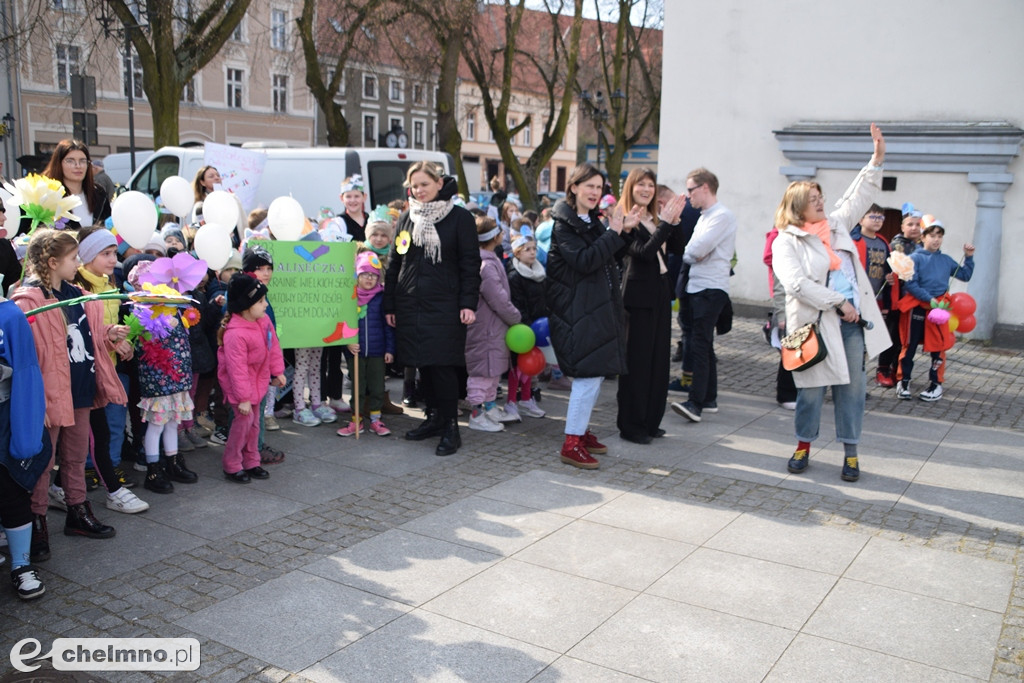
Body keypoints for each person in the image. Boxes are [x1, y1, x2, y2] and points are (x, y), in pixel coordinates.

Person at [772, 123, 891, 482]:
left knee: (852, 390)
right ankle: (803, 445)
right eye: (813, 199)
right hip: (814, 325)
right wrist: (838, 301)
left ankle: (851, 453)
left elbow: (859, 194)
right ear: (797, 208)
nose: (821, 202)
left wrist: (877, 159)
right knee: (810, 391)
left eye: (821, 196)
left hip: (852, 324)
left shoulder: (837, 224)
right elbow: (796, 284)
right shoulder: (786, 241)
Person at [13, 229, 128, 560]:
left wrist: (109, 333)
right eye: (73, 258)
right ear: (52, 262)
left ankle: (77, 510)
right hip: (50, 396)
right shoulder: (29, 301)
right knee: (42, 464)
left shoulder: (77, 293)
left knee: (76, 456)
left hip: (80, 387)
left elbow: (85, 331)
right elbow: (29, 353)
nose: (78, 263)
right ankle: (35, 523)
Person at [384, 161, 481, 457]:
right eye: (414, 186)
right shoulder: (407, 218)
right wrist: (391, 302)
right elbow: (396, 261)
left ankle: (450, 424)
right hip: (411, 303)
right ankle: (434, 418)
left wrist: (468, 303)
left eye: (424, 184)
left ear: (439, 183)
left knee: (443, 365)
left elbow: (470, 264)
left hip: (446, 305)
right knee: (422, 364)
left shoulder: (459, 218)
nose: (419, 190)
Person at [546, 163, 637, 469]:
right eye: (589, 186)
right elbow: (585, 261)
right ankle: (571, 442)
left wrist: (625, 231)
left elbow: (609, 255)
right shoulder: (564, 225)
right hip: (576, 311)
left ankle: (581, 432)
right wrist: (614, 232)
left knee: (595, 374)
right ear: (573, 187)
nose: (595, 193)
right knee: (586, 376)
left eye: (599, 188)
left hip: (595, 308)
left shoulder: (589, 220)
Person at [71, 227, 148, 513]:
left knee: (109, 427)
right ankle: (101, 480)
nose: (112, 259)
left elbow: (114, 328)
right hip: (87, 372)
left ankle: (105, 474)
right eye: (105, 253)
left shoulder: (110, 285)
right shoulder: (78, 290)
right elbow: (83, 334)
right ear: (87, 255)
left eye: (113, 252)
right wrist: (109, 338)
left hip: (110, 368)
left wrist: (122, 342)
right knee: (92, 433)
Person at [616, 168, 688, 444]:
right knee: (638, 362)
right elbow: (643, 253)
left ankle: (650, 421)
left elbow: (678, 246)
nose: (646, 189)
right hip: (637, 297)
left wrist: (675, 221)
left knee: (658, 362)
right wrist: (666, 224)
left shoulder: (655, 218)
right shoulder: (624, 219)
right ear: (631, 187)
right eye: (640, 185)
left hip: (660, 292)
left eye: (650, 185)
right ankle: (631, 425)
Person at [670, 168, 737, 423]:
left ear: (705, 187)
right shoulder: (705, 216)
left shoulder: (722, 216)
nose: (687, 196)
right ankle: (708, 398)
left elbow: (695, 250)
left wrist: (693, 253)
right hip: (699, 287)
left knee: (699, 343)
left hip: (710, 288)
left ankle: (696, 402)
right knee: (703, 343)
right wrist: (693, 253)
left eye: (690, 190)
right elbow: (691, 252)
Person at [127, 259, 198, 494]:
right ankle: (153, 468)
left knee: (172, 422)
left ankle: (173, 461)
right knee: (156, 425)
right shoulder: (144, 312)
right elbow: (145, 344)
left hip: (177, 378)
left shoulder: (174, 308)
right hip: (159, 380)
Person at [0, 294, 49, 599]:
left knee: (11, 488)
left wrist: (27, 433)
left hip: (4, 417)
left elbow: (27, 370)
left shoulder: (9, 314)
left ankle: (21, 565)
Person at [895, 217, 974, 402]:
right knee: (910, 345)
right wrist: (928, 299)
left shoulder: (946, 260)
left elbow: (965, 275)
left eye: (939, 235)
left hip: (939, 311)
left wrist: (969, 257)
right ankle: (903, 381)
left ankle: (935, 384)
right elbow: (910, 284)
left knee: (938, 347)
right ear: (923, 237)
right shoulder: (914, 258)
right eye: (932, 235)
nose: (936, 239)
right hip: (918, 308)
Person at [218, 273, 285, 483]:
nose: (266, 305)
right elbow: (236, 370)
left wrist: (278, 371)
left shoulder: (263, 321)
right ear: (246, 305)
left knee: (254, 425)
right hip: (241, 389)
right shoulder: (235, 333)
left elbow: (273, 346)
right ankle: (232, 464)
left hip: (258, 383)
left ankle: (252, 461)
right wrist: (243, 397)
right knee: (241, 427)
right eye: (261, 301)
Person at [465, 216, 521, 432]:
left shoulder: (490, 259)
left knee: (493, 369)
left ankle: (488, 407)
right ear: (494, 237)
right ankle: (477, 413)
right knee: (483, 370)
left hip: (494, 327)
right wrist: (515, 316)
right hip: (486, 328)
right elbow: (497, 299)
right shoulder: (486, 265)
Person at [337, 252, 395, 437]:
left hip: (378, 352)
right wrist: (348, 343)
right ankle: (357, 420)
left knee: (377, 387)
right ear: (357, 275)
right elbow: (343, 323)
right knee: (358, 387)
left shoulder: (381, 297)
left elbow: (388, 326)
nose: (369, 278)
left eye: (373, 275)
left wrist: (389, 349)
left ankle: (376, 420)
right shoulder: (350, 297)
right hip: (357, 352)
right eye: (365, 274)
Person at [850, 204, 898, 387]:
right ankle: (852, 383)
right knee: (855, 342)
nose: (877, 220)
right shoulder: (854, 241)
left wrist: (890, 278)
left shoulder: (884, 243)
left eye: (880, 217)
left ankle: (858, 383)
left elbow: (887, 270)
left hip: (876, 301)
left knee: (867, 343)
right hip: (857, 300)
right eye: (873, 216)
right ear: (861, 219)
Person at [506, 228, 548, 420]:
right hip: (522, 329)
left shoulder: (539, 273)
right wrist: (527, 325)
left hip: (538, 327)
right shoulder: (515, 276)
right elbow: (516, 303)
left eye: (534, 249)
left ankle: (526, 398)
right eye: (527, 249)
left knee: (530, 366)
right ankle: (511, 402)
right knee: (518, 366)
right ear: (517, 253)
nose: (532, 252)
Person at [32, 139, 111, 230]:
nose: (78, 166)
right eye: (70, 161)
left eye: (82, 161)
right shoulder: (46, 195)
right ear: (59, 164)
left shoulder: (99, 194)